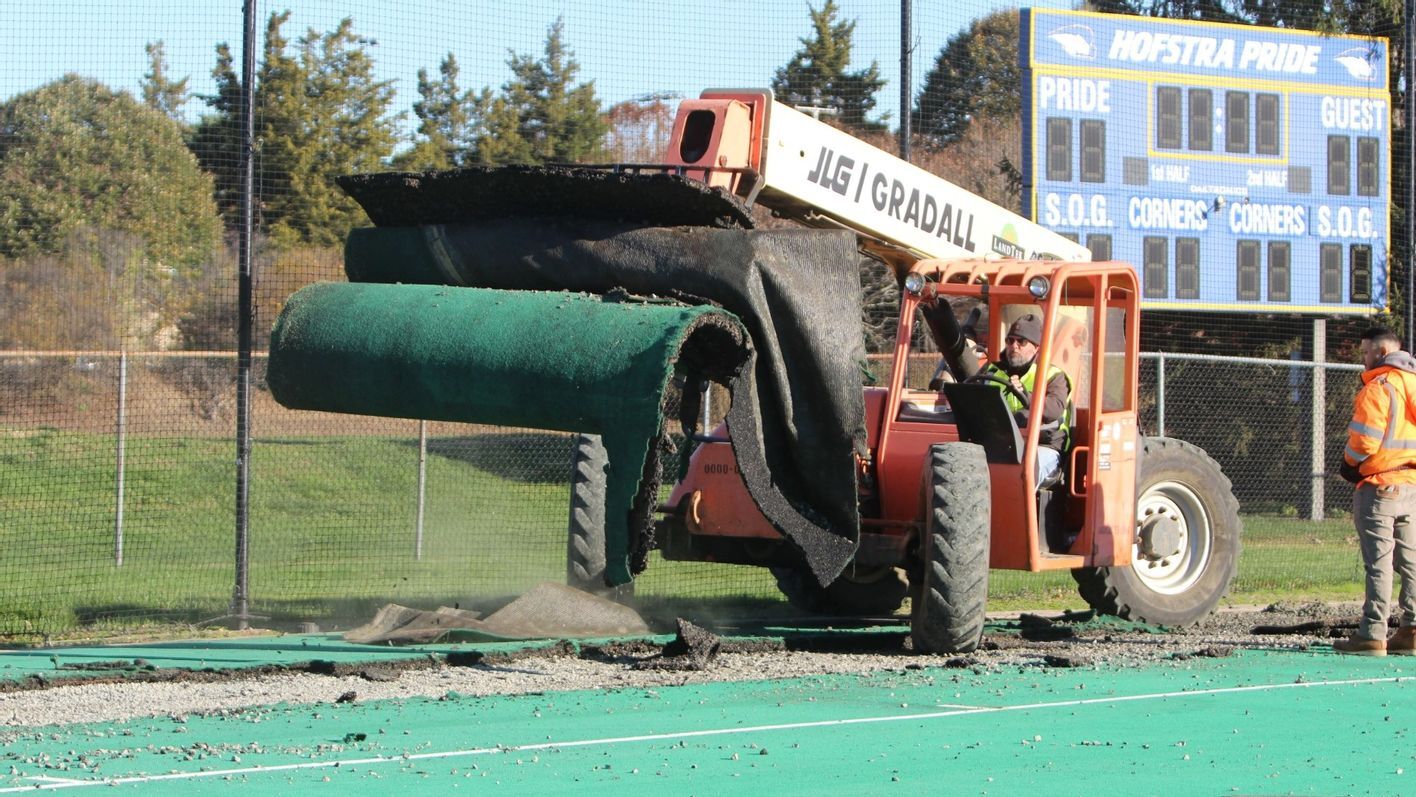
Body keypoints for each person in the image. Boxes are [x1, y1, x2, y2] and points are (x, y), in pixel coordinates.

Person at [1335, 326, 1416, 656]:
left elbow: (1365, 440)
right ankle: (1411, 631)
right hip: (1410, 483)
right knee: (1411, 561)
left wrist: (1349, 463)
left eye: (1365, 352)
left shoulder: (1380, 387)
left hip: (1379, 486)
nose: (1363, 359)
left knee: (1378, 562)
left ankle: (1372, 633)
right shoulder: (1412, 384)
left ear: (1381, 353)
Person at [982, 313, 1073, 486]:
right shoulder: (992, 372)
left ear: (1036, 347)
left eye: (1021, 342)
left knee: (1024, 470)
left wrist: (1026, 395)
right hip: (1002, 444)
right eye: (1010, 340)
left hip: (1043, 445)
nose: (1014, 346)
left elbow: (1054, 409)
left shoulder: (1054, 376)